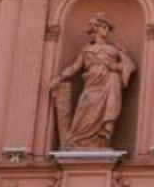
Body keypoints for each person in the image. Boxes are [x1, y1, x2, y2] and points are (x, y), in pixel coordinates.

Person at [50, 12, 136, 149]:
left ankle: (100, 143)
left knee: (106, 113)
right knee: (85, 107)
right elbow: (74, 67)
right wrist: (59, 78)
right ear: (95, 29)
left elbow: (130, 65)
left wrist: (115, 66)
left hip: (109, 85)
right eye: (103, 26)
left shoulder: (114, 49)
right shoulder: (86, 50)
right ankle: (78, 142)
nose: (106, 30)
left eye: (107, 27)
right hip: (91, 85)